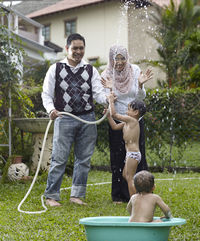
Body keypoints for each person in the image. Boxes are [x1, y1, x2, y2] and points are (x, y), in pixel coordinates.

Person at [42, 33, 108, 206]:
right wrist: (51, 109)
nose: (78, 51)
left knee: (84, 160)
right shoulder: (55, 69)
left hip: (88, 119)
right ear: (67, 49)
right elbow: (46, 94)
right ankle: (51, 196)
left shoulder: (91, 70)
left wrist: (109, 99)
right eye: (75, 48)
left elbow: (99, 93)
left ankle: (76, 196)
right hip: (64, 118)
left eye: (81, 48)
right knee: (59, 158)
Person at [101, 45, 153, 203]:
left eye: (123, 58)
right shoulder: (107, 74)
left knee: (138, 158)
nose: (120, 61)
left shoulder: (135, 70)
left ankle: (143, 191)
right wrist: (109, 96)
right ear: (111, 59)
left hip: (134, 120)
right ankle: (119, 195)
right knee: (118, 159)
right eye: (116, 58)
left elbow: (140, 98)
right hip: (118, 120)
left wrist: (140, 85)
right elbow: (104, 97)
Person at [107, 94, 146, 197]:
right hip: (130, 154)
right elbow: (114, 126)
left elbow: (115, 115)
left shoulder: (132, 121)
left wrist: (111, 101)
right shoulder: (126, 123)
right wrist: (108, 116)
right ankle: (139, 196)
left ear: (136, 112)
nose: (126, 111)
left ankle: (135, 202)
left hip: (133, 154)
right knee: (125, 175)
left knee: (129, 178)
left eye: (128, 109)